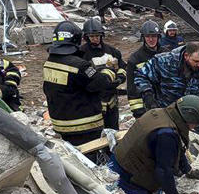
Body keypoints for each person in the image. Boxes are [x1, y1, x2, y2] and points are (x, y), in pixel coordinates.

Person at [110, 96, 199, 194]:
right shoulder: (166, 133)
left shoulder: (161, 113)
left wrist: (188, 170)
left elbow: (178, 147)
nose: (194, 127)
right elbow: (163, 171)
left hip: (121, 162)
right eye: (195, 123)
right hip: (127, 177)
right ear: (188, 117)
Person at [42, 21, 118, 152]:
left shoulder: (50, 62)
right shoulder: (80, 65)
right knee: (93, 161)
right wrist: (109, 70)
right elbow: (101, 83)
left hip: (61, 125)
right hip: (84, 126)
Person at [133, 41, 199, 142]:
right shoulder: (164, 61)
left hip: (192, 111)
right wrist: (148, 95)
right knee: (166, 142)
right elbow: (141, 75)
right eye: (196, 61)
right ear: (186, 55)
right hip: (166, 111)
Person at [80, 17, 126, 131]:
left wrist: (120, 78)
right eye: (92, 36)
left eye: (97, 36)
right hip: (93, 102)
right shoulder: (81, 53)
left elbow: (122, 67)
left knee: (113, 131)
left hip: (112, 101)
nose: (95, 39)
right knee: (96, 134)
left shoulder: (112, 51)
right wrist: (97, 79)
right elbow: (81, 72)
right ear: (86, 37)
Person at [126, 20, 163, 118]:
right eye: (148, 36)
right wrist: (138, 110)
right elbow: (131, 87)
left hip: (166, 104)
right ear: (143, 38)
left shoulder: (166, 54)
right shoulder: (135, 59)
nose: (151, 39)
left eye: (154, 36)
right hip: (145, 107)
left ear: (158, 37)